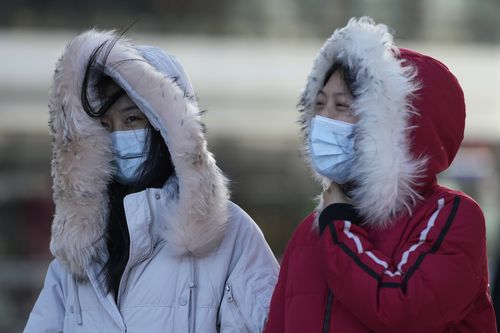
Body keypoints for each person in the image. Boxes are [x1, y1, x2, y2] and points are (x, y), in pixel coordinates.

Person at [24, 29, 279, 332]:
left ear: (168, 127)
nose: (118, 135)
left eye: (132, 119)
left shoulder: (233, 234)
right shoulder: (81, 250)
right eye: (105, 125)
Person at [264, 17, 496, 333]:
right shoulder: (311, 232)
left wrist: (341, 228)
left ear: (393, 124)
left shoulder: (451, 216)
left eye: (342, 105)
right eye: (319, 104)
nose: (324, 118)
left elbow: (402, 310)